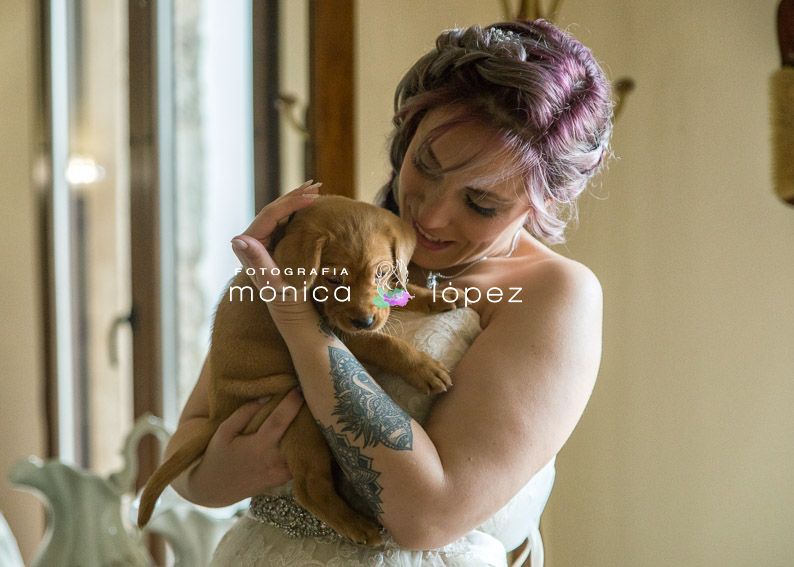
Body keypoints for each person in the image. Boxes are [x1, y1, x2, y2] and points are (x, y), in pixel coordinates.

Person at [165, 18, 612, 566]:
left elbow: (426, 515)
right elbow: (187, 456)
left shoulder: (552, 295)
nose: (430, 213)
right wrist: (224, 475)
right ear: (407, 134)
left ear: (540, 205)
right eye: (425, 165)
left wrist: (294, 311)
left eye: (481, 203)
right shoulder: (336, 243)